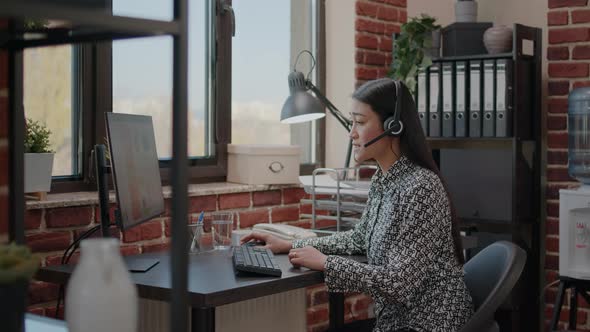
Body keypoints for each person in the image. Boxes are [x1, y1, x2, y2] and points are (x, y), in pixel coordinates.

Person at [241, 78, 474, 332]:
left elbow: (398, 284)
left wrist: (327, 263)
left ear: (392, 126)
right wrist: (290, 245)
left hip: (428, 324)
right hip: (395, 323)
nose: (351, 132)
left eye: (360, 122)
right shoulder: (383, 179)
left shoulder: (420, 188)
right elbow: (359, 239)